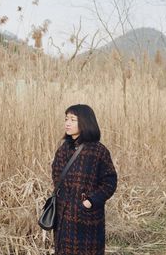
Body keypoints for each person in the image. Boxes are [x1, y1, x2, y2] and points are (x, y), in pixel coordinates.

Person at [51, 104, 118, 255]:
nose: (67, 123)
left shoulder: (98, 151)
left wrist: (90, 202)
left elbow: (110, 182)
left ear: (85, 122)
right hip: (64, 215)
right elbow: (56, 175)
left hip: (87, 217)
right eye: (66, 119)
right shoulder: (63, 149)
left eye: (73, 120)